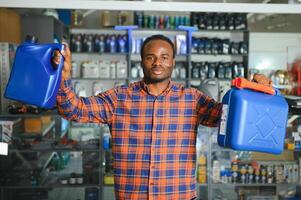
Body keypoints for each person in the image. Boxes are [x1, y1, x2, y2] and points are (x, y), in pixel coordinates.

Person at [55, 34, 271, 200]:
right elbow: (74, 110)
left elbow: (227, 118)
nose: (157, 62)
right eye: (151, 57)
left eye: (164, 57)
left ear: (173, 62)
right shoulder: (119, 98)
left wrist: (254, 91)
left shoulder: (192, 99)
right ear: (142, 61)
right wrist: (63, 78)